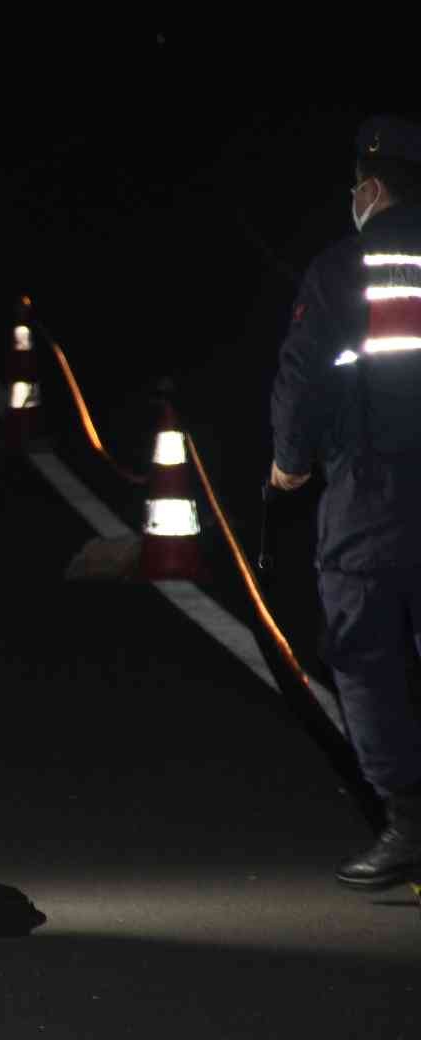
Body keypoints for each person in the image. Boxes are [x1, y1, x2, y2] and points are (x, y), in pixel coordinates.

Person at [271, 114, 421, 891]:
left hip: (373, 493)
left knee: (363, 654)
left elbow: (305, 375)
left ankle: (407, 822)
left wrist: (289, 465)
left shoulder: (345, 266)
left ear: (369, 188)